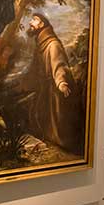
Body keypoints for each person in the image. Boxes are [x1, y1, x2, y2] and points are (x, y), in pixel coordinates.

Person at [23, 13, 82, 155]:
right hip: (45, 87)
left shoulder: (52, 44)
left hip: (55, 89)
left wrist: (61, 82)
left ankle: (66, 148)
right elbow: (33, 70)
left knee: (59, 124)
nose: (31, 22)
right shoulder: (41, 44)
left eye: (34, 20)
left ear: (42, 24)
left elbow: (59, 65)